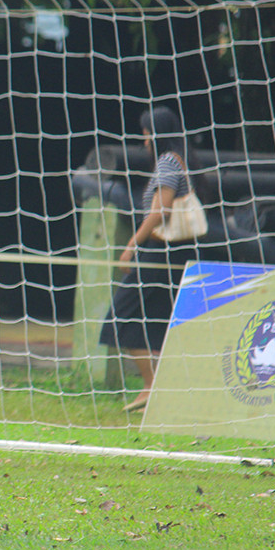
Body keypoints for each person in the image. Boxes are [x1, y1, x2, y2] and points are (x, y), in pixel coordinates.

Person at [99, 106, 200, 412]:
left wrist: (131, 244)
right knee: (156, 320)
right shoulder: (181, 161)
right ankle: (158, 387)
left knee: (120, 315)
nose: (143, 140)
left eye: (146, 133)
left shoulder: (168, 162)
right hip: (175, 253)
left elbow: (160, 211)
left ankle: (151, 385)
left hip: (158, 252)